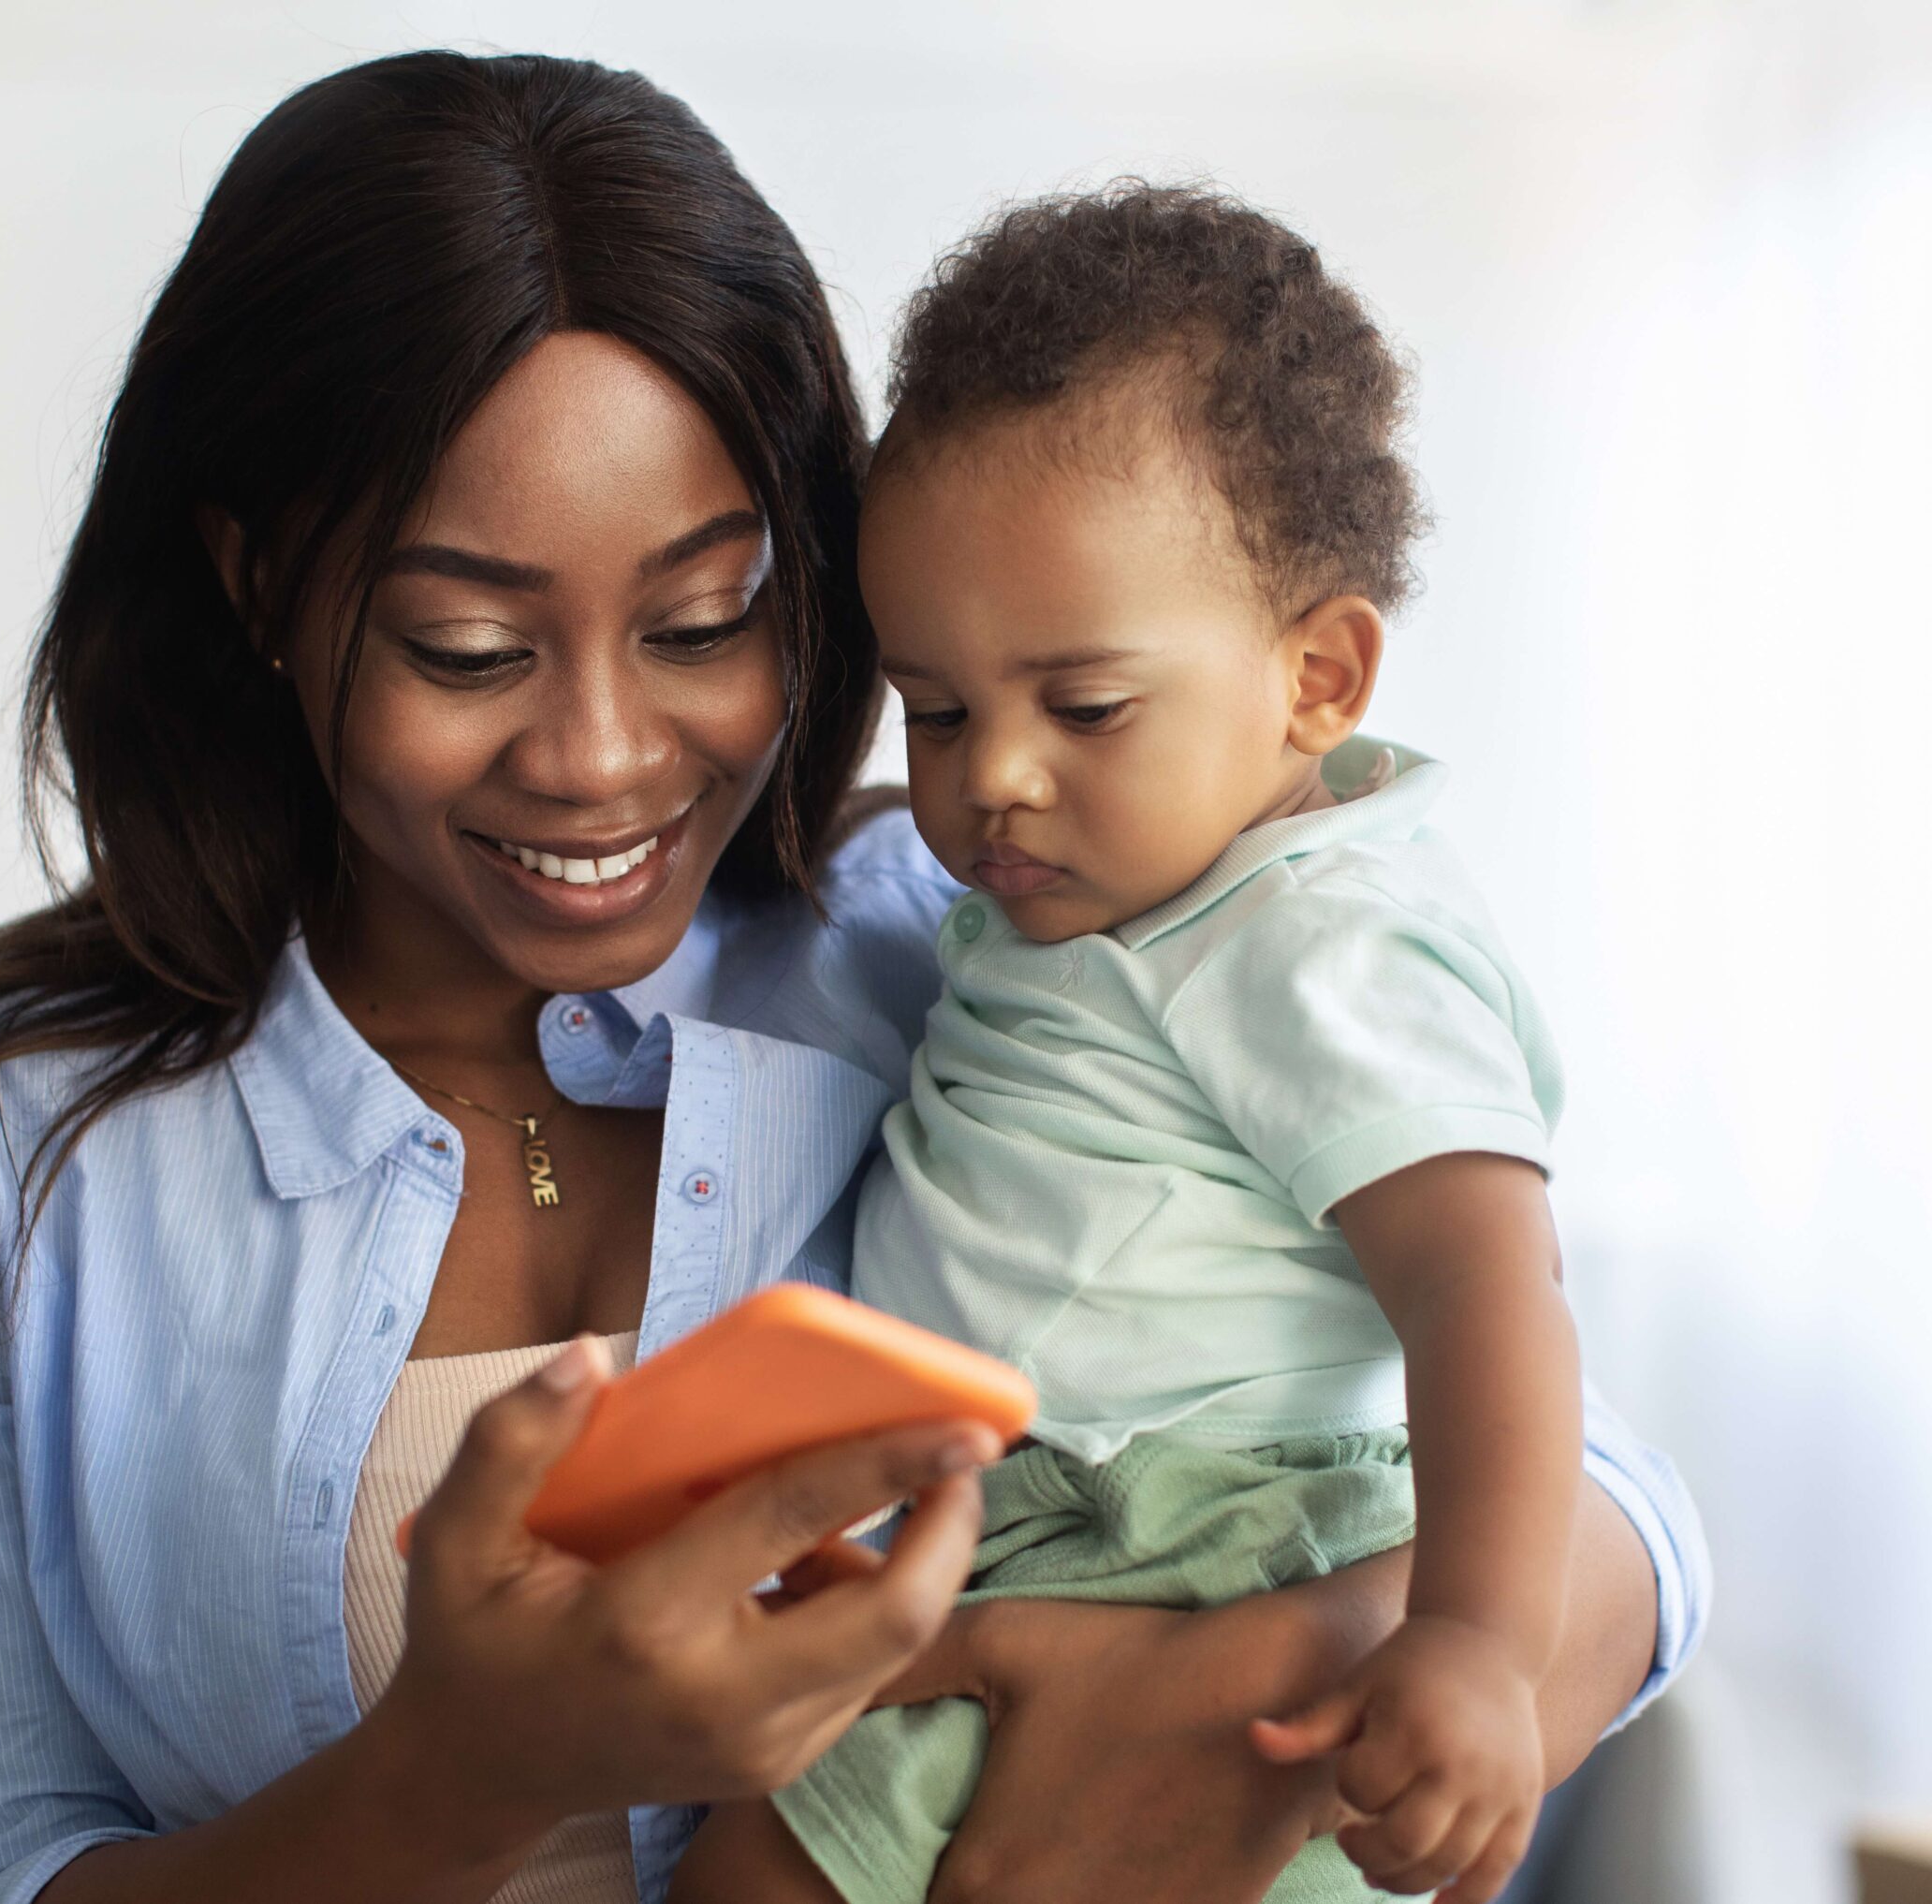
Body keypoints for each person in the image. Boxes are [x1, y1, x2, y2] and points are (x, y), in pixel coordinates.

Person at [0, 53, 1707, 1904]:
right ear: (260, 586)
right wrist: (460, 1768)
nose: (603, 758)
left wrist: (1256, 1696)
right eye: (464, 647)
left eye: (705, 619)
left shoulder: (945, 935)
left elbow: (1579, 1465)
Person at [670, 183, 1622, 1904]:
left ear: (1318, 675)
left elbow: (1492, 1290)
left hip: (1212, 1537)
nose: (992, 777)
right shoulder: (1078, 899)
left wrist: (1480, 1636)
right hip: (1018, 1529)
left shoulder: (1314, 932)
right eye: (936, 708)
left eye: (1084, 707)